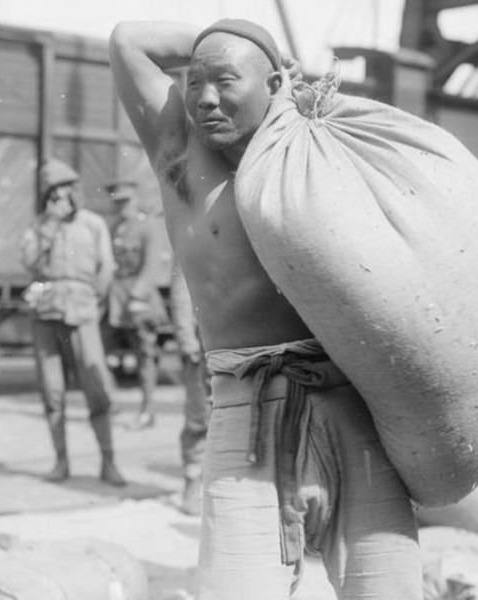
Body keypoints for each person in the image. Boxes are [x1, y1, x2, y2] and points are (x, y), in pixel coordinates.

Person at [111, 19, 421, 599]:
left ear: (275, 83)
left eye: (225, 81)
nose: (204, 98)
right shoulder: (182, 160)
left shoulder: (324, 157)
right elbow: (128, 39)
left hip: (348, 411)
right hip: (242, 419)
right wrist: (224, 41)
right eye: (194, 81)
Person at [20, 158, 126, 486]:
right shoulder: (38, 227)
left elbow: (106, 268)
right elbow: (28, 262)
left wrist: (93, 301)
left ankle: (108, 462)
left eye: (68, 189)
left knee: (96, 388)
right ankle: (61, 462)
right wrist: (50, 227)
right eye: (55, 191)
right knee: (52, 391)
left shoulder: (93, 224)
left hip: (82, 313)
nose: (64, 197)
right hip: (46, 314)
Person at [105, 179, 170, 429]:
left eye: (125, 201)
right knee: (102, 349)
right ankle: (111, 405)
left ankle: (147, 410)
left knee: (145, 355)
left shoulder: (147, 227)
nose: (121, 207)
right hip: (116, 298)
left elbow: (152, 266)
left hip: (138, 300)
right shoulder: (116, 228)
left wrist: (137, 296)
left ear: (135, 200)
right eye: (117, 202)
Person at [169, 265, 211, 516]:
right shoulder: (192, 229)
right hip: (203, 341)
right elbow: (181, 290)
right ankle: (192, 482)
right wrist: (186, 338)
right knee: (198, 416)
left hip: (238, 337)